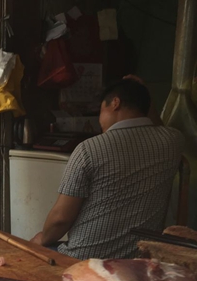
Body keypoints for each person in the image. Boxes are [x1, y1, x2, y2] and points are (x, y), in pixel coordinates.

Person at [30, 78, 184, 260]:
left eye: (100, 110)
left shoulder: (88, 149)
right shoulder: (173, 141)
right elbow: (158, 127)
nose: (99, 120)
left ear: (115, 103)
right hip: (139, 261)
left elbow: (60, 219)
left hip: (84, 260)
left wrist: (42, 238)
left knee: (29, 250)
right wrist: (143, 96)